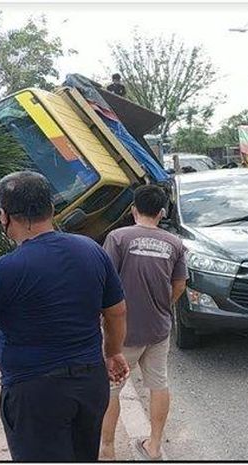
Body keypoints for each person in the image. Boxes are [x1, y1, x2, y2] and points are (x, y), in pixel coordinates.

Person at [0, 171, 129, 462]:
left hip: (36, 393)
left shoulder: (2, 271)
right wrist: (112, 352)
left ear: (3, 216)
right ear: (51, 208)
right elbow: (116, 310)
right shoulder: (91, 250)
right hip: (90, 383)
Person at [100, 185, 188, 460]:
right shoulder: (175, 243)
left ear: (133, 209)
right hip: (158, 330)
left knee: (111, 389)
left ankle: (107, 450)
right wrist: (163, 306)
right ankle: (154, 446)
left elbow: (104, 281)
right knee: (159, 384)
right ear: (162, 212)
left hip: (121, 332)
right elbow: (180, 285)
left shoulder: (118, 238)